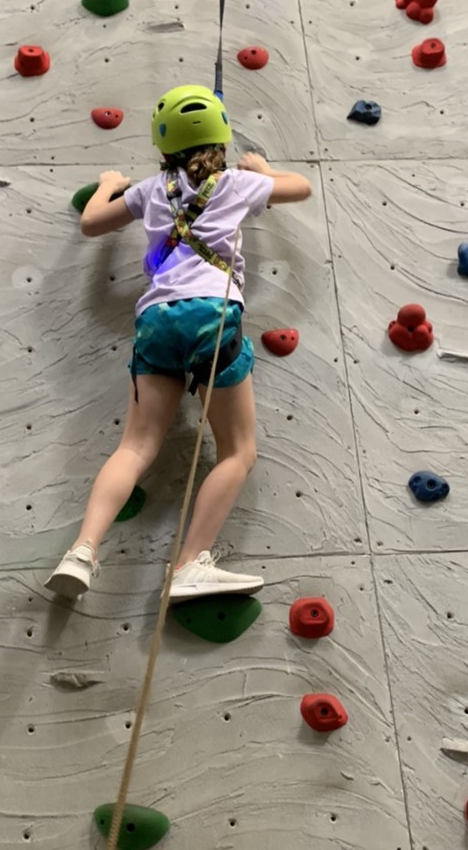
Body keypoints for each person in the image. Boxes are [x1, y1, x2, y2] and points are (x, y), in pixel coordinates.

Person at [45, 85, 311, 601]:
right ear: (222, 138)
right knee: (237, 450)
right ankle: (190, 564)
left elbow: (91, 223)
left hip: (156, 319)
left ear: (163, 144)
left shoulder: (149, 190)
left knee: (136, 446)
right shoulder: (235, 183)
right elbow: (299, 188)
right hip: (212, 315)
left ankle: (81, 551)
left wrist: (109, 184)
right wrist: (263, 169)